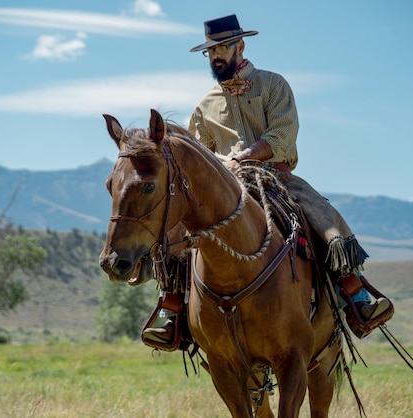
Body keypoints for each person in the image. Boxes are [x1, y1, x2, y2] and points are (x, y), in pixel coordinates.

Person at [143, 14, 391, 344]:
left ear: (240, 46)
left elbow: (283, 135)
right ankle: (172, 308)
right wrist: (221, 168)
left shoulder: (274, 85)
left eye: (222, 48)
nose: (216, 56)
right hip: (224, 185)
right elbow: (198, 155)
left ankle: (356, 293)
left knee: (322, 217)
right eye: (210, 51)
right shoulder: (205, 105)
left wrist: (245, 157)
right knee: (177, 230)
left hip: (276, 176)